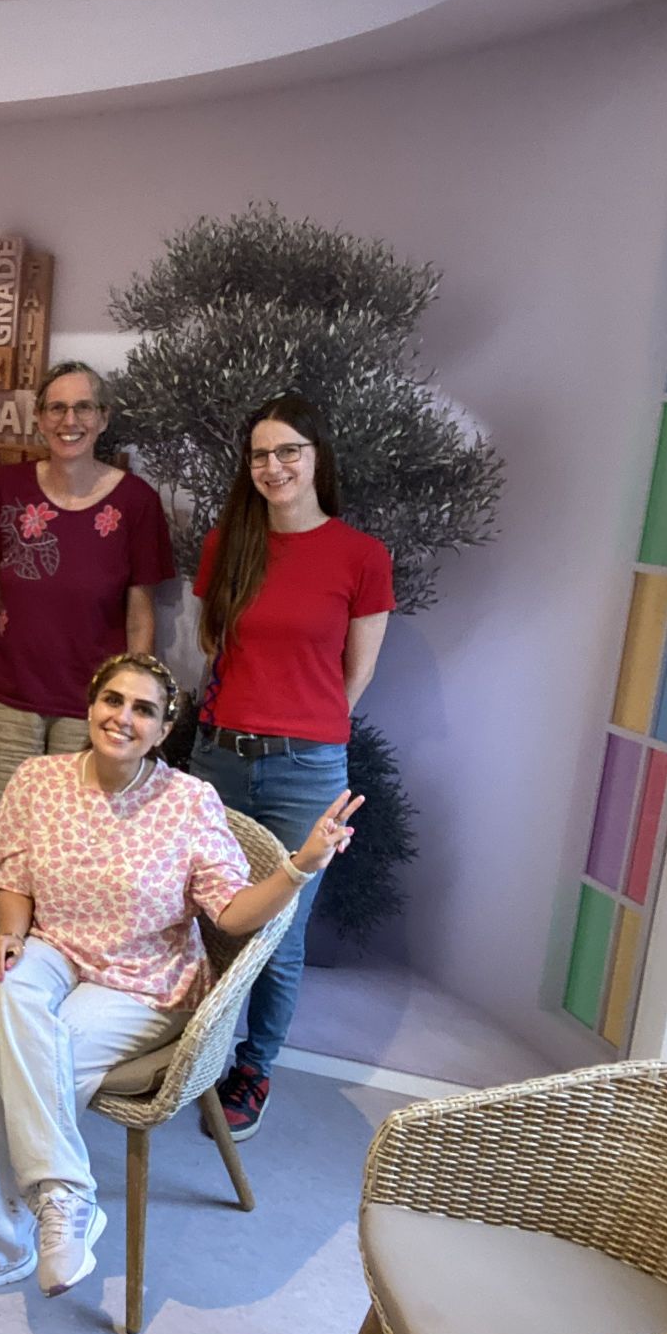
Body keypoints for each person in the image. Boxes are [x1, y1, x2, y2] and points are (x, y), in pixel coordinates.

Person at [0, 653, 363, 1304]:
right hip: (55, 948)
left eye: (144, 710)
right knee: (10, 986)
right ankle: (66, 1198)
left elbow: (234, 916)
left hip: (146, 981)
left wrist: (300, 866)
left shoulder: (189, 802)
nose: (123, 717)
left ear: (163, 730)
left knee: (44, 1059)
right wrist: (11, 933)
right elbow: (14, 879)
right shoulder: (39, 780)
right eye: (113, 700)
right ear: (91, 705)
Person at [190, 392, 393, 1142]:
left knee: (280, 929)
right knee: (201, 914)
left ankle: (254, 1067)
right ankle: (191, 1051)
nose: (273, 466)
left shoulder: (362, 557)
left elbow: (354, 678)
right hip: (218, 758)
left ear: (316, 459)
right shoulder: (228, 545)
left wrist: (299, 727)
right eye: (260, 455)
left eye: (289, 452)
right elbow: (213, 648)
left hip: (307, 770)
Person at [0, 360, 174, 883]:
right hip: (7, 701)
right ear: (38, 418)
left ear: (103, 418)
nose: (69, 420)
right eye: (56, 408)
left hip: (94, 712)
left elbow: (140, 617)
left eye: (83, 408)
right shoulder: (8, 489)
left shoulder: (136, 502)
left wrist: (136, 713)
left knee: (73, 860)